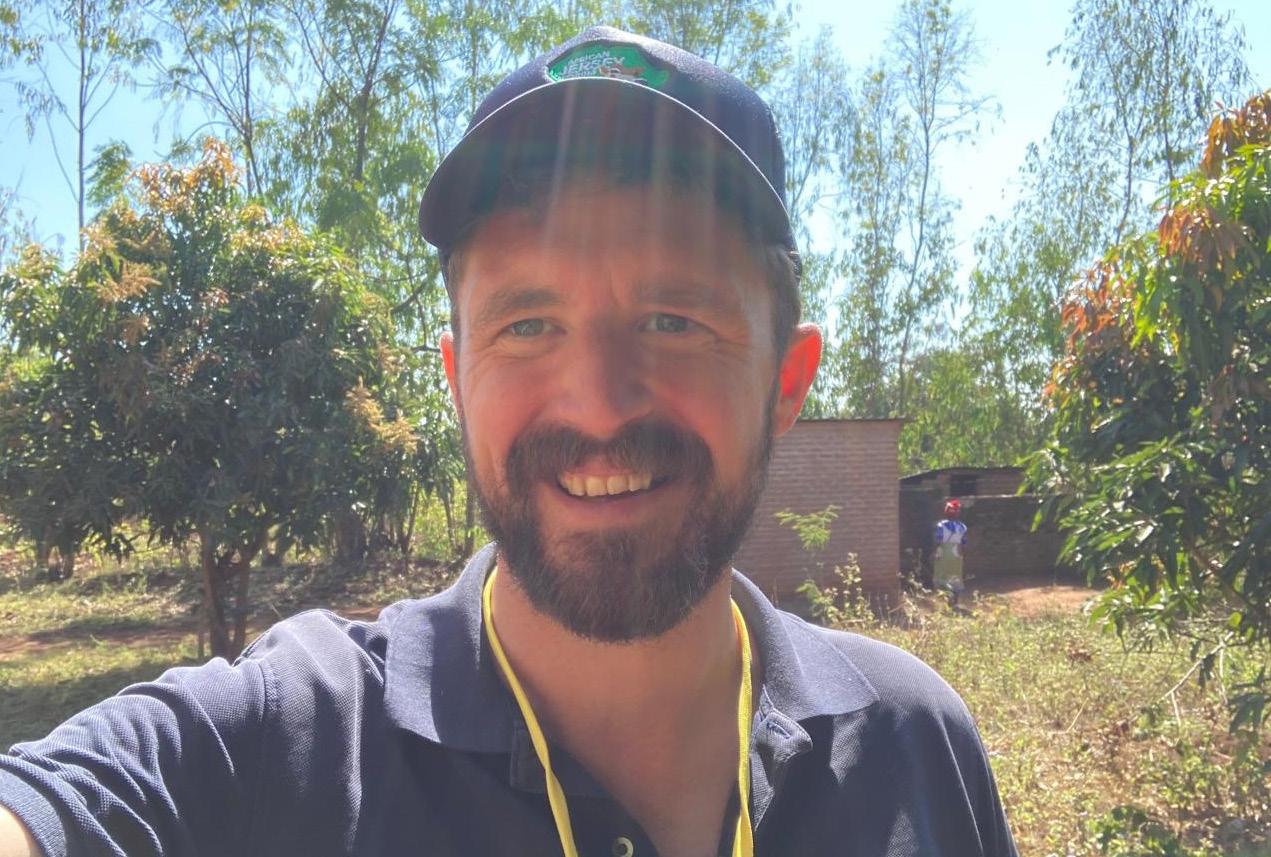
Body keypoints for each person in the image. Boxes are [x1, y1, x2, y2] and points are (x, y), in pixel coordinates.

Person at [0, 27, 1018, 857]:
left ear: (785, 381)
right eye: (527, 325)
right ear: (456, 380)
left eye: (673, 320)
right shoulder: (285, 746)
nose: (599, 405)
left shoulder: (914, 746)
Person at [933, 499, 970, 608]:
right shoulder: (962, 527)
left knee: (942, 576)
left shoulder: (941, 526)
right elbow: (964, 543)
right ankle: (955, 602)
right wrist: (962, 555)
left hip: (943, 553)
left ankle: (947, 600)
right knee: (956, 576)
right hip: (957, 554)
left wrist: (934, 552)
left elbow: (938, 541)